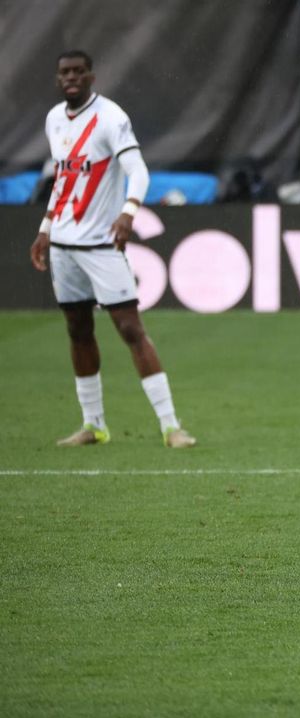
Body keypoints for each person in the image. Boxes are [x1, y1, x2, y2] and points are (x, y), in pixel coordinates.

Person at [28, 50, 195, 449]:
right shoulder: (54, 119)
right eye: (64, 72)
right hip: (63, 245)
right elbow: (63, 183)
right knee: (77, 330)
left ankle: (171, 427)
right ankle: (94, 425)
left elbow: (139, 171)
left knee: (130, 329)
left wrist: (128, 213)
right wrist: (45, 227)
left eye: (77, 71)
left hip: (102, 243)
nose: (70, 78)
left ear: (91, 76)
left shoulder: (111, 118)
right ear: (58, 79)